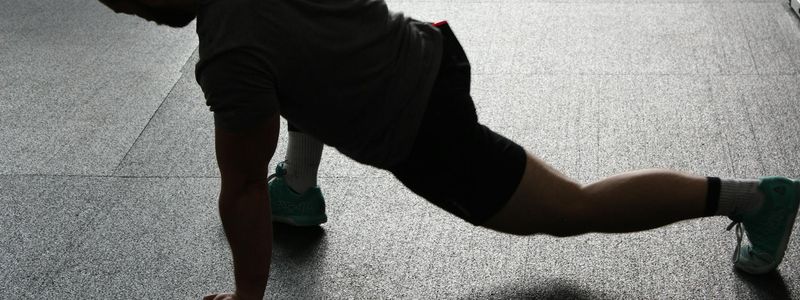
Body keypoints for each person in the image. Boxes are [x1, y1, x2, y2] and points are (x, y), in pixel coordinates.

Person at [96, 1, 800, 299]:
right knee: (301, 62)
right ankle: (302, 190)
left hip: (423, 132)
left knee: (572, 209)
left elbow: (241, 185)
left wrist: (250, 296)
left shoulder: (228, 56)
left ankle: (753, 199)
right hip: (427, 44)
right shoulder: (243, 45)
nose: (135, 12)